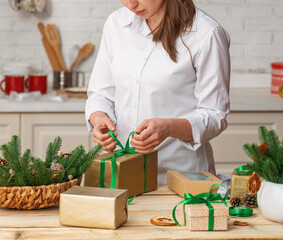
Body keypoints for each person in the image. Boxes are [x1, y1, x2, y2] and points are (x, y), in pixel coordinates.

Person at [85, 0, 230, 184]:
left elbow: (215, 115)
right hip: (123, 177)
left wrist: (169, 128)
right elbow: (100, 93)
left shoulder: (207, 33)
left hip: (182, 180)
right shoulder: (116, 24)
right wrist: (98, 118)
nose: (130, 4)